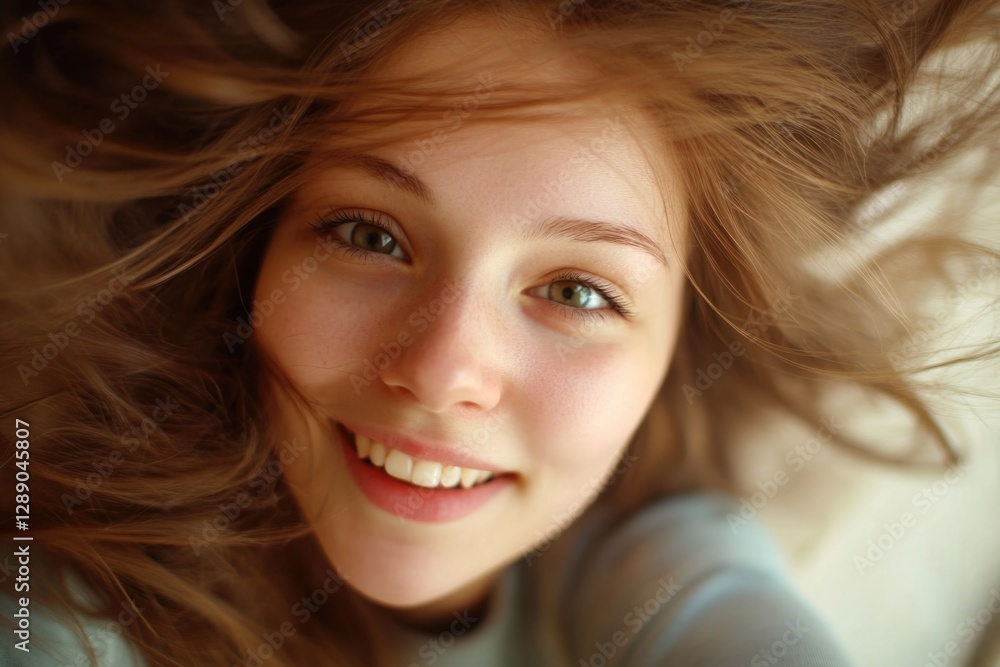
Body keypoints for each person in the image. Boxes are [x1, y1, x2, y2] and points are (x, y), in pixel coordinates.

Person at [1, 0, 998, 665]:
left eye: (574, 291)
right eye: (368, 235)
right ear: (256, 246)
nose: (440, 372)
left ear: (674, 350)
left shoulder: (645, 556)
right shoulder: (58, 595)